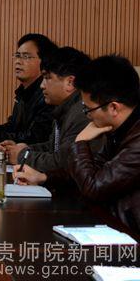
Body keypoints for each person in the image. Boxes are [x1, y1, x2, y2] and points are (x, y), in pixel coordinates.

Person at [15, 55, 140, 232]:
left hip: (128, 234)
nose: (87, 115)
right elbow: (93, 170)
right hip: (109, 223)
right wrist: (44, 177)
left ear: (113, 107)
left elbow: (94, 188)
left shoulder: (136, 141)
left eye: (88, 109)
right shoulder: (117, 128)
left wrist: (80, 142)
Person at [0, 47, 98, 179]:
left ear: (70, 82)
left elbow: (62, 163)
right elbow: (53, 147)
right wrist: (24, 148)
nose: (42, 85)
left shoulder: (82, 113)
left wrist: (22, 155)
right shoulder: (66, 108)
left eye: (47, 78)